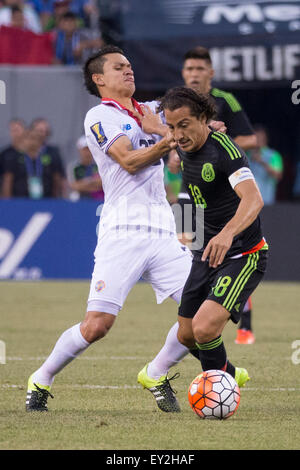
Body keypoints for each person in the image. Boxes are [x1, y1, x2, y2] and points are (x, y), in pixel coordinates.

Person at [25, 45, 195, 413]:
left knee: (204, 313)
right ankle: (41, 377)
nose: (129, 71)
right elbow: (129, 161)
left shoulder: (152, 110)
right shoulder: (100, 116)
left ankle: (158, 370)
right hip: (123, 230)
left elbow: (192, 131)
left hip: (166, 228)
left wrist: (203, 128)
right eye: (119, 67)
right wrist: (168, 138)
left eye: (130, 66)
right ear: (99, 79)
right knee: (98, 325)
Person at [156, 86, 268, 392]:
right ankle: (230, 374)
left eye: (183, 125)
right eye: (171, 127)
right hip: (203, 253)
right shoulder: (181, 144)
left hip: (244, 253)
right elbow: (185, 190)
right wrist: (188, 234)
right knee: (186, 334)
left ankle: (216, 392)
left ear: (204, 118)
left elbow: (253, 200)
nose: (177, 135)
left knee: (204, 328)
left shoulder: (225, 152)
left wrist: (227, 234)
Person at [169, 46, 257, 345]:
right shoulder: (178, 102)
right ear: (183, 73)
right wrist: (173, 149)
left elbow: (250, 138)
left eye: (199, 69)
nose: (193, 74)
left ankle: (244, 320)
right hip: (188, 192)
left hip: (221, 187)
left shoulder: (224, 101)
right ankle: (201, 311)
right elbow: (169, 135)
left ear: (210, 73)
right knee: (191, 251)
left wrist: (216, 141)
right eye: (189, 69)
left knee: (232, 252)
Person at [1, 128, 65, 198]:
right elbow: (8, 180)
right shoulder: (14, 157)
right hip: (20, 200)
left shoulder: (49, 157)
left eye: (34, 138)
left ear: (40, 142)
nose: (31, 142)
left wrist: (57, 199)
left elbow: (56, 179)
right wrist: (7, 201)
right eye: (27, 138)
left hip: (46, 199)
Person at [247, 125, 283, 205]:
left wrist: (262, 162)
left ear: (265, 138)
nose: (258, 139)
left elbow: (278, 175)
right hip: (248, 204)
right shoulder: (245, 155)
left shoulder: (273, 155)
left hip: (266, 202)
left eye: (260, 137)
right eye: (256, 137)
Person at [69, 134, 104, 200]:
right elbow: (74, 186)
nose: (87, 152)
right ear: (79, 150)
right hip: (80, 200)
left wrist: (84, 183)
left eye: (89, 149)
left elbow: (103, 183)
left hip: (98, 200)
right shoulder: (74, 167)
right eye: (85, 149)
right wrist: (93, 183)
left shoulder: (99, 165)